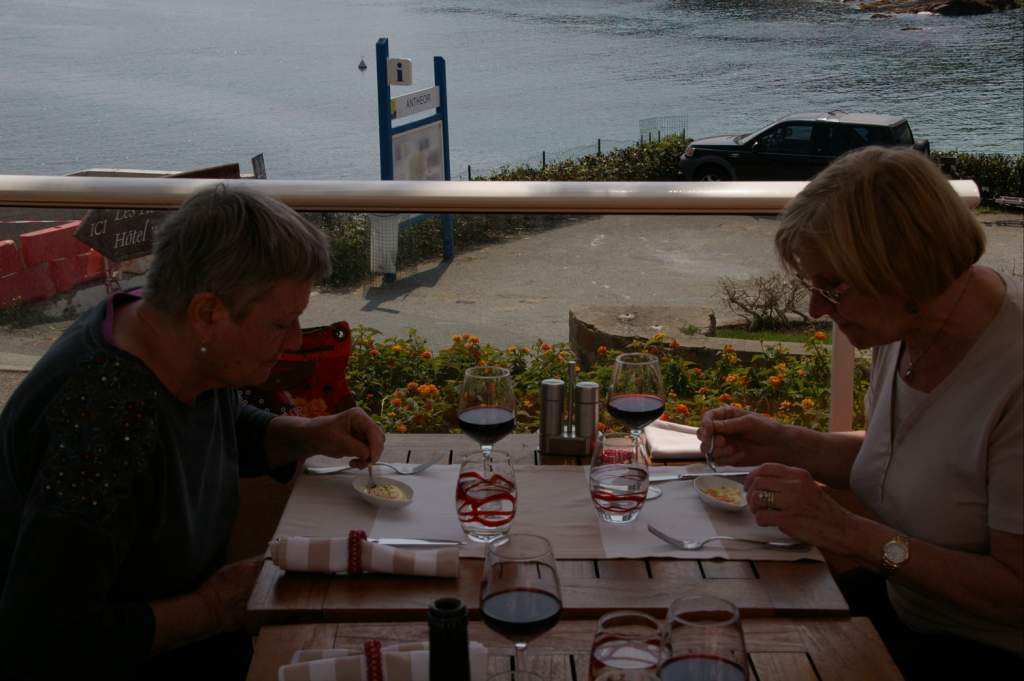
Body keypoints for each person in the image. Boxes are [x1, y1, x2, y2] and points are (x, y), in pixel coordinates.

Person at [0, 185, 386, 680]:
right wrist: (215, 607)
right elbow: (41, 643)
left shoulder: (165, 332)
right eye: (280, 324)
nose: (293, 342)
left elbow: (215, 424)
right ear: (207, 314)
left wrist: (308, 434)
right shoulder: (102, 422)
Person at [699, 146, 1023, 678]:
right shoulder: (909, 326)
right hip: (907, 607)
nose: (815, 310)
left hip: (983, 648)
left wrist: (847, 533)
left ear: (904, 270)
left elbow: (1015, 594)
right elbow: (908, 464)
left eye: (832, 287)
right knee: (713, 623)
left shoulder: (1012, 373)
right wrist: (783, 441)